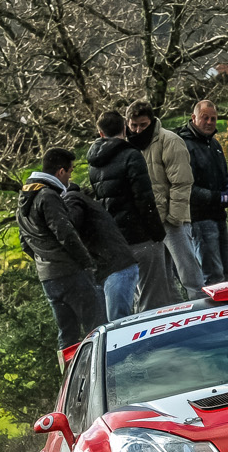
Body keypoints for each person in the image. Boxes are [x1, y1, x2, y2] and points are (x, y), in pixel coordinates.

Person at [17, 148, 104, 350]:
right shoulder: (48, 196)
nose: (70, 177)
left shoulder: (23, 198)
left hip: (48, 277)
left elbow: (25, 243)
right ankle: (105, 375)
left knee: (67, 336)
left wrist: (45, 260)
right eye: (70, 172)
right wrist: (87, 263)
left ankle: (68, 378)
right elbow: (65, 234)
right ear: (60, 172)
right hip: (71, 272)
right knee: (97, 327)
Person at [88, 111, 170, 311]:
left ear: (100, 133)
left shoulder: (93, 165)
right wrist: (157, 233)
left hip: (117, 240)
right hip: (141, 236)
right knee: (153, 297)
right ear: (124, 128)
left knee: (132, 297)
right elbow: (144, 199)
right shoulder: (131, 155)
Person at [126, 101, 206, 298]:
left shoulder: (170, 140)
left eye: (143, 125)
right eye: (133, 125)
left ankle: (203, 312)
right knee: (162, 280)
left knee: (190, 275)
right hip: (147, 223)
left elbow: (182, 181)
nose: (137, 130)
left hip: (172, 221)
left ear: (151, 121)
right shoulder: (127, 147)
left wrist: (174, 218)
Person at [61, 178, 140, 322]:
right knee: (112, 323)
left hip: (116, 268)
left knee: (117, 323)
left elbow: (70, 226)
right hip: (113, 267)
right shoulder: (79, 198)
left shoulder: (71, 199)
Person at [177, 100, 228, 285]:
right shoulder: (184, 146)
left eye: (213, 118)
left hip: (219, 215)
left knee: (227, 273)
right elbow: (185, 187)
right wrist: (215, 197)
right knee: (213, 276)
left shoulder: (215, 145)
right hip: (200, 219)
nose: (210, 122)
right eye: (205, 118)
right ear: (194, 118)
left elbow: (223, 175)